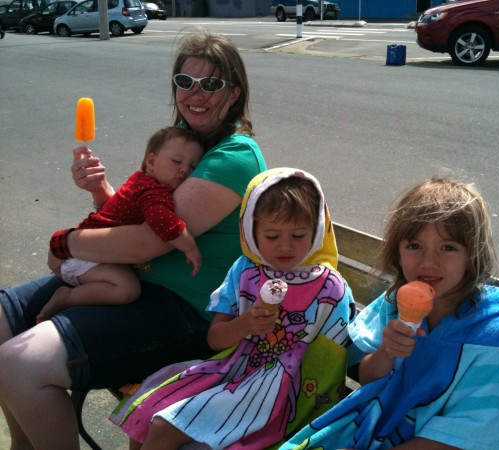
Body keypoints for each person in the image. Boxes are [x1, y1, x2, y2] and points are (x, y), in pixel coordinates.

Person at [0, 29, 267, 450]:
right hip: (126, 284)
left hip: (183, 311)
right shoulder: (185, 140)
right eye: (185, 82)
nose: (195, 93)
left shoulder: (234, 157)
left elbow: (149, 242)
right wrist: (100, 191)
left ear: (233, 94)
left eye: (211, 84)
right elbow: (135, 215)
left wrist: (66, 243)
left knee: (18, 364)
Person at [110, 168, 357, 450]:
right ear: (250, 231)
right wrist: (244, 325)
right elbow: (215, 339)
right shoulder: (245, 272)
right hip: (232, 371)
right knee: (149, 412)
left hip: (280, 393)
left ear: (317, 230)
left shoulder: (331, 287)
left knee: (166, 426)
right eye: (272, 236)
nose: (285, 247)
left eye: (298, 235)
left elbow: (333, 359)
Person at [280, 177, 499, 450]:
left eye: (448, 248)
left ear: (472, 255)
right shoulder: (394, 304)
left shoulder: (489, 331)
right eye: (414, 246)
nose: (428, 262)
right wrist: (387, 350)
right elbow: (367, 379)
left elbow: (475, 428)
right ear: (397, 252)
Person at [37, 126, 204, 324]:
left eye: (193, 166)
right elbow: (163, 221)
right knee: (126, 289)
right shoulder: (154, 191)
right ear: (151, 162)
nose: (185, 169)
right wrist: (189, 246)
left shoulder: (140, 180)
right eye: (176, 161)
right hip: (86, 256)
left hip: (88, 248)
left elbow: (115, 208)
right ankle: (67, 297)